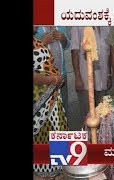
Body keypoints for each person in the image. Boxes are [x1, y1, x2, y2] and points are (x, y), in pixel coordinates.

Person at [33, 26, 68, 180]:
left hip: (52, 97)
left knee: (58, 130)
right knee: (44, 134)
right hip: (40, 101)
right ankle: (44, 172)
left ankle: (60, 169)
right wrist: (53, 79)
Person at [70, 26, 112, 129]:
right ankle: (87, 143)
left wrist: (109, 74)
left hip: (102, 79)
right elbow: (74, 52)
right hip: (85, 81)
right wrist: (78, 77)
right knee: (87, 117)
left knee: (102, 116)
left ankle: (99, 142)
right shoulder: (78, 26)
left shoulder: (106, 26)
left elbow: (109, 52)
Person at [34, 26, 70, 119]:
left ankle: (63, 131)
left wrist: (63, 38)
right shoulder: (37, 29)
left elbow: (67, 45)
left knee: (63, 107)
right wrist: (43, 43)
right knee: (45, 113)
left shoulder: (61, 26)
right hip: (43, 81)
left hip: (61, 75)